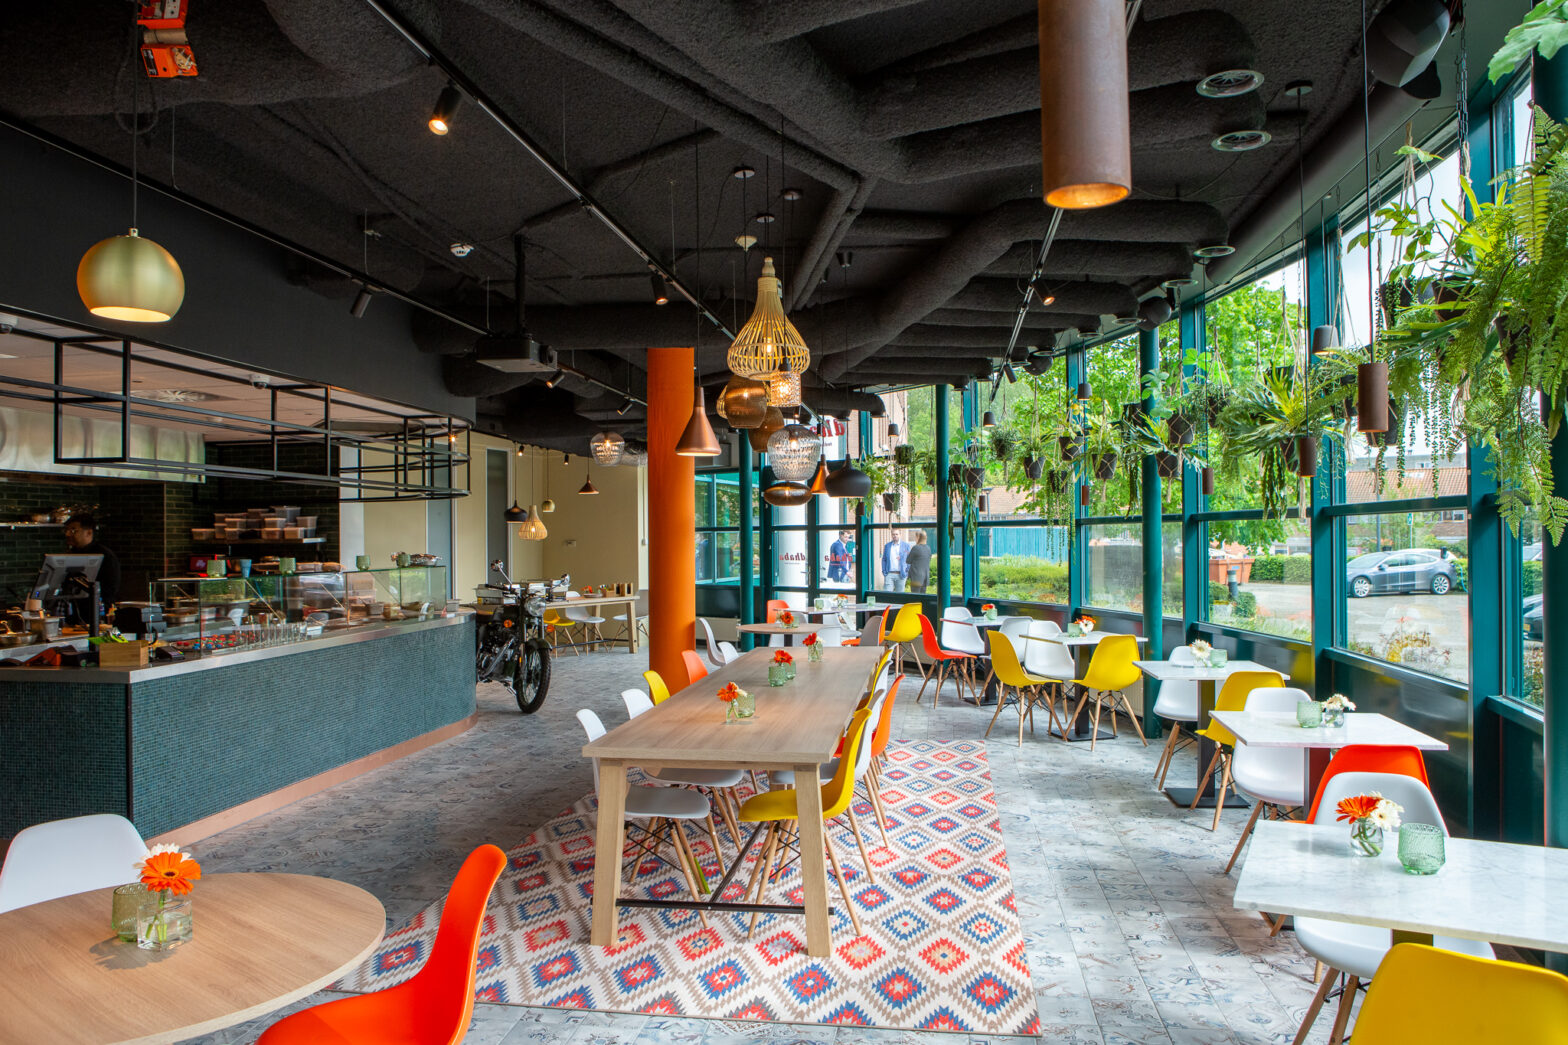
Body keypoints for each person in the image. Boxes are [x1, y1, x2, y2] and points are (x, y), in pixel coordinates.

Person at [61, 512, 121, 616]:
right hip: (71, 612)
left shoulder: (104, 555)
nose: (68, 534)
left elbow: (111, 588)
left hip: (97, 612)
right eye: (66, 530)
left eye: (73, 530)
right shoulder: (69, 555)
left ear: (88, 532)